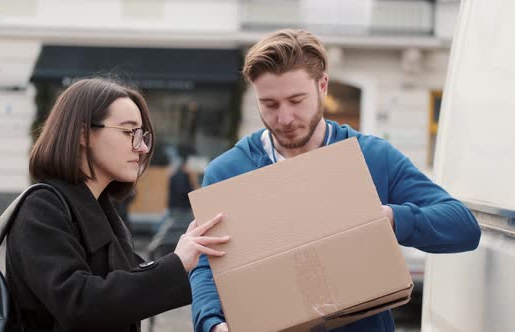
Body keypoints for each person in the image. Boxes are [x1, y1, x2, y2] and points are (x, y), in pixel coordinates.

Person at [189, 29, 481, 332]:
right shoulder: (228, 173)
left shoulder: (371, 157)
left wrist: (390, 219)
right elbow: (208, 265)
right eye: (270, 105)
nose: (285, 118)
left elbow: (463, 226)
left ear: (323, 86)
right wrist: (211, 323)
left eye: (296, 100)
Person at [6, 78, 230, 332]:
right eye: (128, 132)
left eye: (142, 135)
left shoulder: (102, 209)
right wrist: (176, 263)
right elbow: (79, 305)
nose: (142, 147)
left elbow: (129, 286)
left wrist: (188, 259)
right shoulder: (42, 208)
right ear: (82, 133)